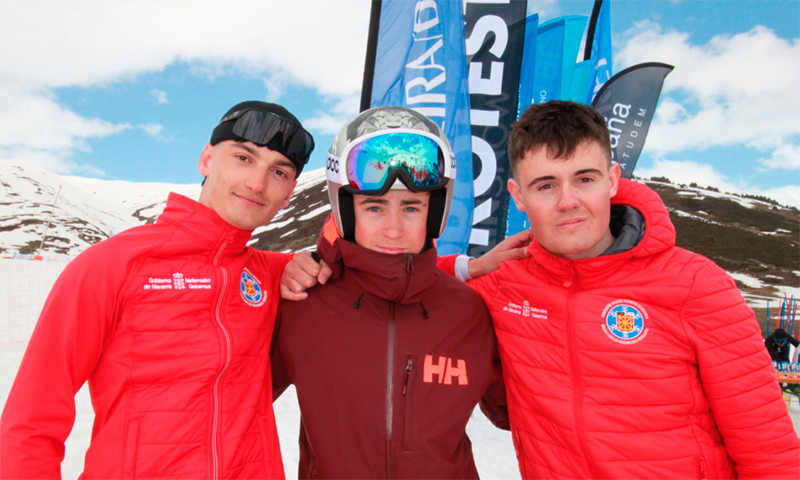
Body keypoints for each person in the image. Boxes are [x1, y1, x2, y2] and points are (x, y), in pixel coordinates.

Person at [284, 101, 800, 479]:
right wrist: (317, 256)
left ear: (614, 179)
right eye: (546, 184)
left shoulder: (695, 284)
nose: (568, 201)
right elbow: (400, 276)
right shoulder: (499, 290)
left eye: (586, 178)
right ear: (518, 195)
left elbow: (766, 444)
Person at [0, 101, 315, 479]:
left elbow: (359, 258)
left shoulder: (276, 273)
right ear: (206, 160)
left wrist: (311, 260)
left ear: (288, 193)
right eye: (243, 158)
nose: (257, 183)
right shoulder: (113, 265)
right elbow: (31, 419)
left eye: (278, 172)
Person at [271, 106, 508, 479]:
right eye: (375, 207)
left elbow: (520, 413)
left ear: (436, 212)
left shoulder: (469, 311)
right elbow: (225, 400)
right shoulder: (303, 303)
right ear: (346, 211)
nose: (394, 230)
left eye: (412, 207)